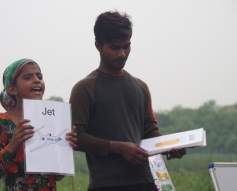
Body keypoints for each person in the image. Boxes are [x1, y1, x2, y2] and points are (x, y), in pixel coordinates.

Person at [69, 11, 186, 191]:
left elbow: (149, 129)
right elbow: (76, 137)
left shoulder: (140, 87)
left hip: (146, 182)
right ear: (98, 46)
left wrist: (168, 145)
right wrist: (119, 147)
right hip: (106, 185)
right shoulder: (85, 88)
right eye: (115, 47)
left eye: (127, 46)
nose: (122, 54)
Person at [0, 58, 77, 191]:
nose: (36, 80)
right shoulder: (1, 122)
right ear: (12, 89)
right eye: (28, 77)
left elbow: (58, 176)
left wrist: (65, 148)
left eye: (39, 76)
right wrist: (13, 146)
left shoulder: (51, 119)